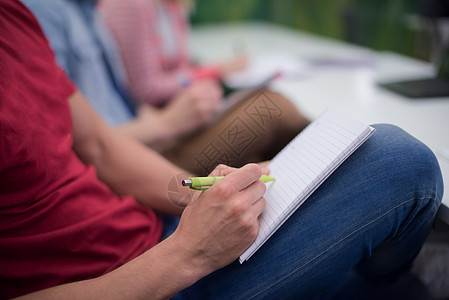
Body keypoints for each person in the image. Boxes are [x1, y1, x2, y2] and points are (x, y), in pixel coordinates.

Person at [0, 1, 444, 299]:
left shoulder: (15, 18)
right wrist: (188, 253)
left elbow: (101, 145)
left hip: (155, 229)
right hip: (146, 278)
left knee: (342, 150)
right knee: (398, 159)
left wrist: (193, 191)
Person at [22, 0, 310, 176]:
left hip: (145, 135)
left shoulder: (90, 10)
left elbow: (128, 97)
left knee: (273, 147)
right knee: (273, 109)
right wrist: (168, 121)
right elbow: (82, 143)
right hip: (138, 151)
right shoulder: (48, 10)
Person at [98, 0, 247, 105]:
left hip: (172, 111)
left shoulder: (172, 5)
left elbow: (181, 69)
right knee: (264, 112)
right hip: (149, 120)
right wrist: (211, 72)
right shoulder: (131, 5)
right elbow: (146, 89)